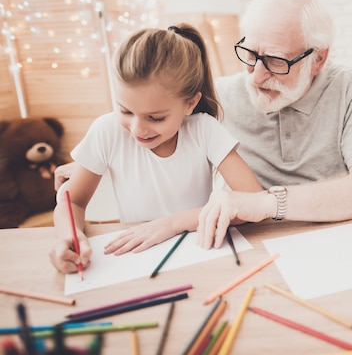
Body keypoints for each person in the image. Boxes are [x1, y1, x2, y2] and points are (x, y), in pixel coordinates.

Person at [49, 24, 262, 274]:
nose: (138, 129)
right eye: (125, 111)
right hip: (136, 261)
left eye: (156, 118)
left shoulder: (205, 129)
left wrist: (173, 223)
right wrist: (69, 237)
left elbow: (253, 201)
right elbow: (72, 200)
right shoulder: (106, 131)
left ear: (190, 103)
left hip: (199, 255)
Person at [196, 0, 352, 249]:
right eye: (250, 54)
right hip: (250, 245)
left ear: (319, 59)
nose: (256, 76)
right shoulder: (220, 96)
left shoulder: (351, 88)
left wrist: (266, 203)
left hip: (338, 240)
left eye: (276, 61)